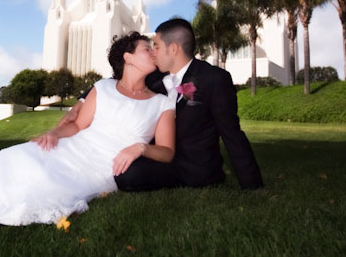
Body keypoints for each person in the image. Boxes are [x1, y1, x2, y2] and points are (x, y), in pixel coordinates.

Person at [0, 32, 176, 226]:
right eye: (146, 49)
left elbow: (166, 152)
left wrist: (140, 147)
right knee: (12, 157)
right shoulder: (103, 88)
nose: (153, 52)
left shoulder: (162, 103)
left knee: (42, 182)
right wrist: (55, 134)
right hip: (74, 148)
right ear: (128, 57)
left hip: (102, 166)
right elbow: (79, 125)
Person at [63, 18, 264, 191]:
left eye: (156, 47)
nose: (153, 53)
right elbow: (116, 82)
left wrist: (252, 184)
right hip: (159, 158)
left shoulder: (214, 78)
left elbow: (232, 134)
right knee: (124, 173)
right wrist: (81, 101)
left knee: (128, 175)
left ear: (173, 48)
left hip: (195, 168)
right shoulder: (154, 76)